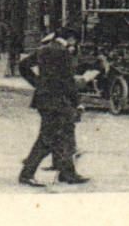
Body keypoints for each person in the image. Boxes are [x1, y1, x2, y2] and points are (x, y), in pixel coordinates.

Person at [17, 29, 89, 186]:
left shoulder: (44, 50)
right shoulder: (64, 53)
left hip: (44, 99)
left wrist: (38, 83)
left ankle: (67, 173)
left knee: (64, 136)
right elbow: (68, 82)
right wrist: (78, 101)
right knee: (47, 139)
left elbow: (23, 66)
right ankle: (27, 174)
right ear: (70, 39)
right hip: (58, 101)